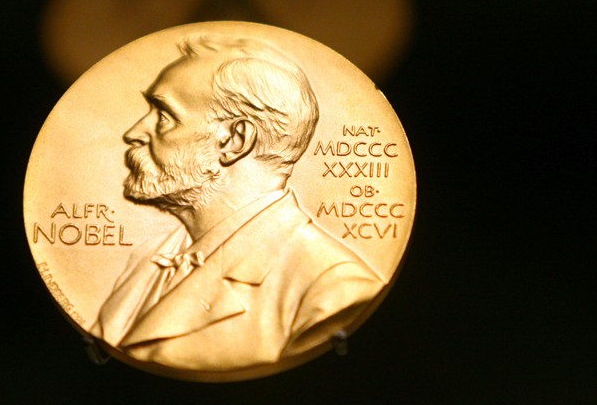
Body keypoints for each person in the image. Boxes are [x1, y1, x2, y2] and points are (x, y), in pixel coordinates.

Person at [92, 34, 383, 371]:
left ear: (234, 140)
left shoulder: (332, 289)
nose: (134, 132)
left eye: (164, 115)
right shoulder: (146, 260)